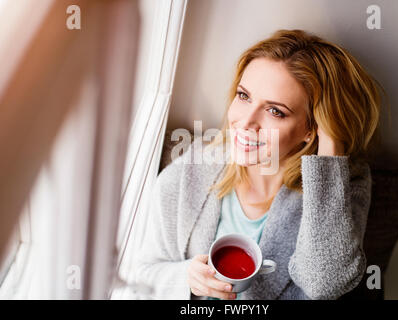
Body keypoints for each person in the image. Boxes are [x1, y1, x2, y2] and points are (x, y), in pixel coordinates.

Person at [132, 29, 382, 300]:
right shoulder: (190, 169)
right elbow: (143, 273)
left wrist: (332, 147)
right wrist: (186, 279)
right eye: (243, 96)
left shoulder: (345, 185)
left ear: (314, 128)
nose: (246, 122)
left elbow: (325, 283)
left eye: (275, 111)